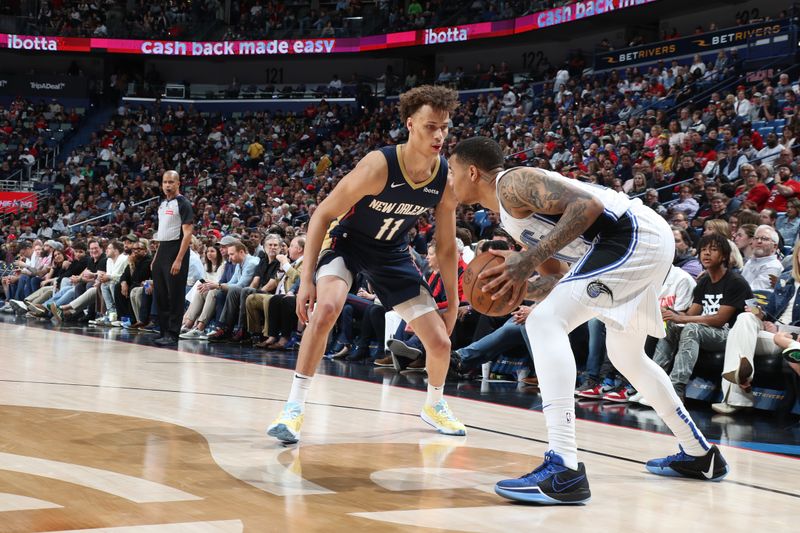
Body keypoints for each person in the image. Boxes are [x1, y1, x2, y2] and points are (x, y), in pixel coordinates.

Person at [448, 137, 729, 506]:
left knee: (544, 323)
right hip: (631, 245)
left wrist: (528, 258)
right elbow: (559, 277)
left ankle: (563, 467)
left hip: (630, 235)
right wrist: (519, 289)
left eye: (451, 172)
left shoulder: (512, 182)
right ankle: (700, 454)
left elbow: (588, 205)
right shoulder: (510, 222)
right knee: (625, 354)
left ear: (472, 172)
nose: (449, 181)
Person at [267, 85, 465, 443]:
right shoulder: (379, 165)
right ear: (410, 124)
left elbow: (447, 247)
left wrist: (450, 301)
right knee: (326, 309)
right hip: (349, 244)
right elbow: (323, 214)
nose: (439, 135)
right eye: (430, 126)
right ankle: (294, 407)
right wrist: (308, 278)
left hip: (392, 253)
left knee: (440, 344)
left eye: (445, 127)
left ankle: (434, 404)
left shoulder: (443, 179)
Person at [151, 170, 194, 346]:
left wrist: (179, 259)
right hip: (162, 249)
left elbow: (188, 234)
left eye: (171, 182)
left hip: (177, 249)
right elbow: (163, 233)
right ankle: (163, 331)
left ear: (178, 183)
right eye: (164, 182)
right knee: (161, 294)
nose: (167, 185)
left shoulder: (183, 203)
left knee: (174, 294)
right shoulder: (162, 204)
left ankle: (173, 333)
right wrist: (155, 258)